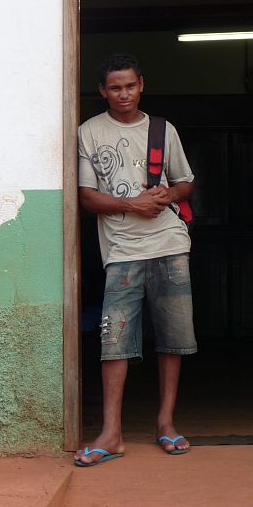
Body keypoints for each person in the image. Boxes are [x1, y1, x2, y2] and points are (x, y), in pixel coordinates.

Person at [74, 52, 196, 467]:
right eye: (114, 87)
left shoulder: (163, 129)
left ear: (141, 84)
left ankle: (166, 423)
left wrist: (168, 196)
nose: (123, 94)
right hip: (123, 252)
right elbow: (87, 197)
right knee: (116, 342)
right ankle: (112, 433)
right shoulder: (89, 132)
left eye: (130, 85)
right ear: (102, 91)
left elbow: (185, 183)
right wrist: (132, 204)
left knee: (172, 339)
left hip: (170, 245)